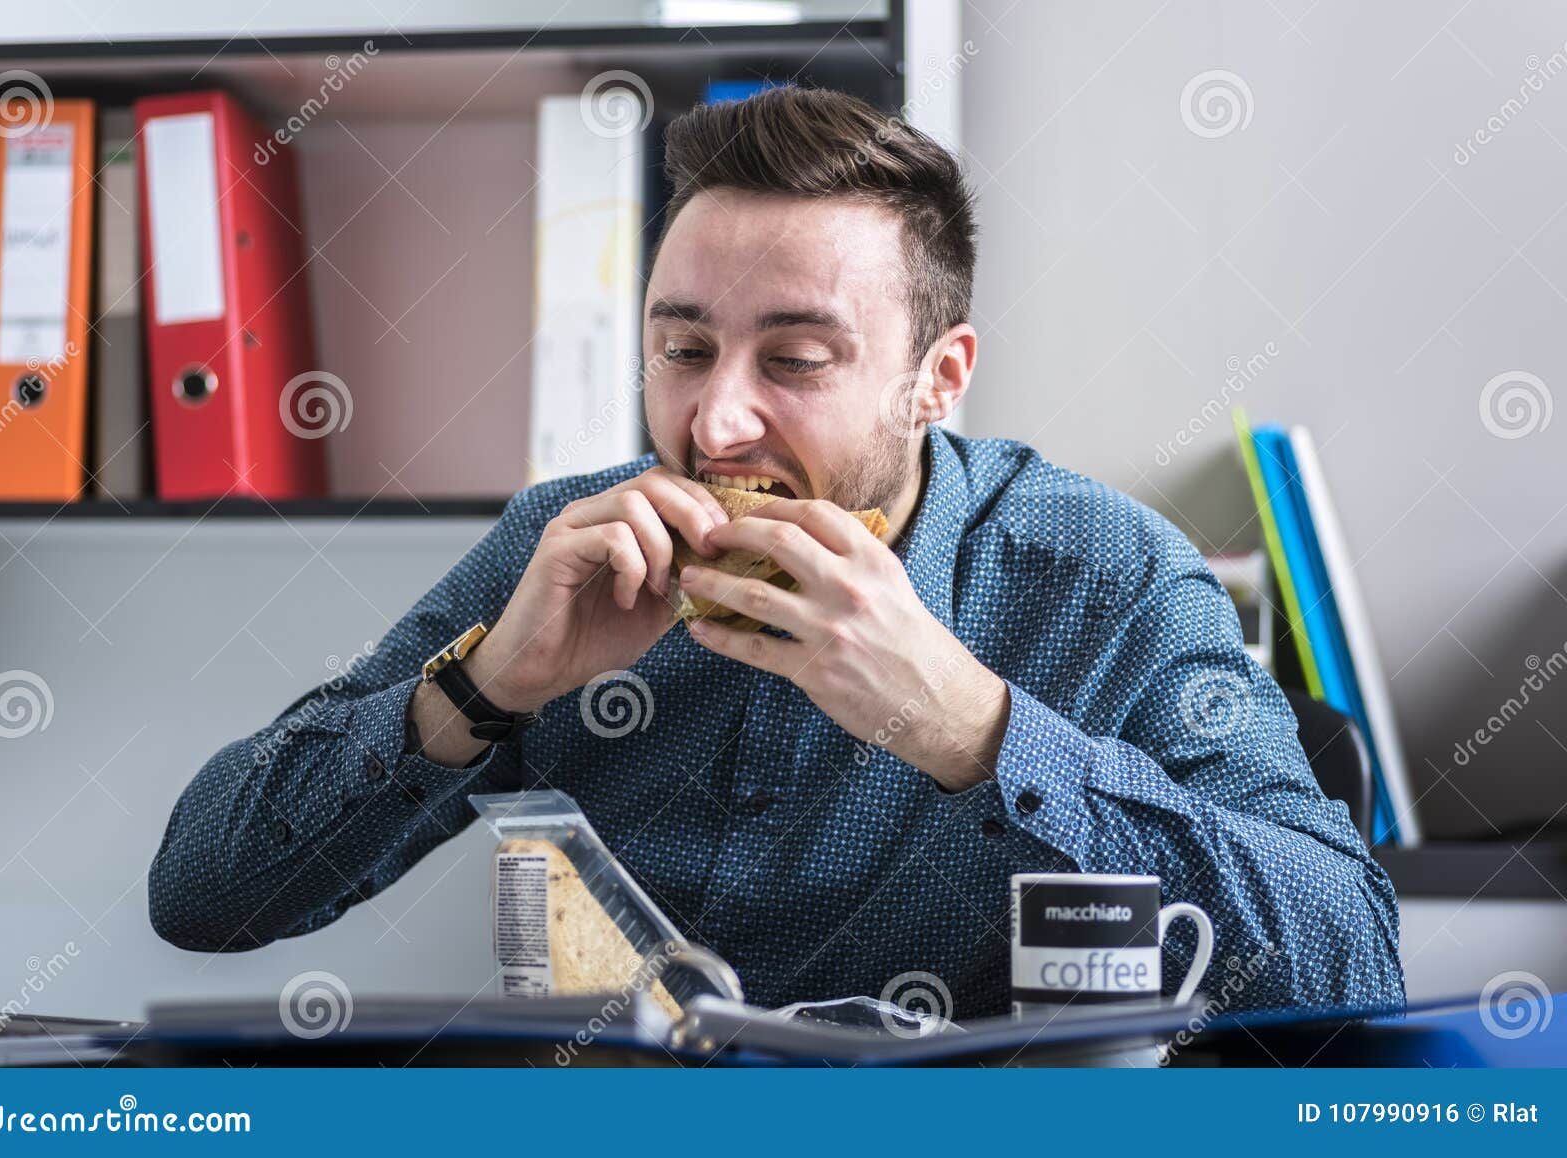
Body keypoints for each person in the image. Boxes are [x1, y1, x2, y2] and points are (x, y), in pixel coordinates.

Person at [149, 86, 1405, 1019]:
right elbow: (203, 896)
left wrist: (976, 731)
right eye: (683, 350)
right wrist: (482, 692)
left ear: (936, 378)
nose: (717, 422)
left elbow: (1351, 954)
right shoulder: (568, 545)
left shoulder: (1109, 579)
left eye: (796, 361)